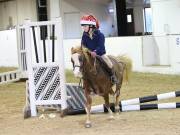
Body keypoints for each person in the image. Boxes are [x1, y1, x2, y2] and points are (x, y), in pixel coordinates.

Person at [80, 14, 117, 84]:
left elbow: (101, 47)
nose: (83, 28)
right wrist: (85, 49)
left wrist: (95, 52)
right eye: (83, 26)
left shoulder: (100, 35)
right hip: (89, 54)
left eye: (85, 26)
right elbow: (83, 45)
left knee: (107, 61)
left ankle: (113, 76)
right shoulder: (84, 35)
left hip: (100, 54)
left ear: (91, 26)